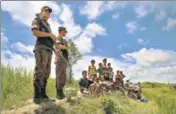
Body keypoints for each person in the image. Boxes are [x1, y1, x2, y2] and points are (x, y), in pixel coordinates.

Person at [31, 6, 57, 104]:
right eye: (46, 10)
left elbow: (49, 41)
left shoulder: (48, 26)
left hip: (49, 50)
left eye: (49, 12)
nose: (48, 13)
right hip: (41, 49)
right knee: (40, 71)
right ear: (41, 12)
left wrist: (54, 50)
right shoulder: (37, 20)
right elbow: (35, 32)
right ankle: (37, 96)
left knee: (47, 73)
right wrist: (49, 35)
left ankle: (43, 95)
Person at [54, 27, 70, 100]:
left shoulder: (64, 40)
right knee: (59, 76)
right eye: (65, 32)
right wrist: (65, 47)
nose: (65, 33)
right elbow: (58, 46)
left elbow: (68, 47)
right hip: (60, 59)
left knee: (63, 77)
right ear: (61, 31)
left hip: (64, 60)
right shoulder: (58, 38)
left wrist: (66, 47)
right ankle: (58, 93)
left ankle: (61, 92)